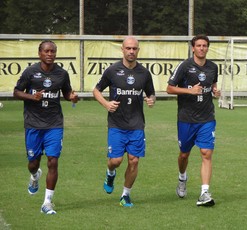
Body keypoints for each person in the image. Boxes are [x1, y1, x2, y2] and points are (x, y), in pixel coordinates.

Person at [13, 40, 79, 214]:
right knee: (33, 164)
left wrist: (72, 97)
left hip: (54, 123)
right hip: (33, 123)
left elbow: (66, 93)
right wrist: (31, 97)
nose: (50, 54)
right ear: (40, 53)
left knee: (53, 161)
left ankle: (47, 203)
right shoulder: (30, 72)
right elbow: (16, 92)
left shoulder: (62, 74)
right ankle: (35, 177)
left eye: (53, 51)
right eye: (47, 51)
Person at [93, 36, 156, 207]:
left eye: (134, 49)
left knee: (134, 160)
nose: (131, 51)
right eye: (128, 48)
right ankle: (110, 172)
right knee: (116, 161)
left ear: (138, 50)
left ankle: (125, 195)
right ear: (122, 49)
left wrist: (151, 100)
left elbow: (151, 93)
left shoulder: (144, 73)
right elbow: (96, 90)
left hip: (136, 124)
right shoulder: (112, 70)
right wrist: (106, 103)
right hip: (117, 124)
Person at [166, 34, 220, 207]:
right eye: (199, 45)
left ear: (207, 48)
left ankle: (204, 192)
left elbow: (212, 86)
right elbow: (169, 88)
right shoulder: (184, 66)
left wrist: (215, 91)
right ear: (193, 48)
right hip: (186, 118)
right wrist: (190, 91)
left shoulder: (213, 67)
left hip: (207, 118)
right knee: (184, 154)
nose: (202, 48)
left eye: (205, 45)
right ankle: (182, 177)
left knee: (206, 153)